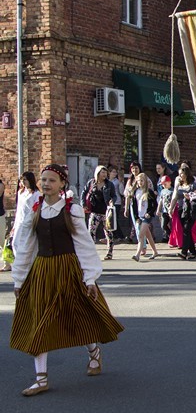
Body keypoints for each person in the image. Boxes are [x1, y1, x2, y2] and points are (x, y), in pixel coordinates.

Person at [9, 164, 124, 396]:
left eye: (51, 180)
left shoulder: (72, 210)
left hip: (67, 268)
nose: (46, 184)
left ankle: (94, 352)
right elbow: (26, 247)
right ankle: (41, 379)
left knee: (77, 314)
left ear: (62, 184)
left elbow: (84, 245)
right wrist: (19, 279)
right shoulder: (35, 209)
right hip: (42, 270)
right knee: (39, 321)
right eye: (43, 180)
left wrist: (90, 278)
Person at [80, 165, 116, 260]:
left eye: (105, 172)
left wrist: (112, 201)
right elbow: (83, 192)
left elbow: (114, 195)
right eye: (102, 172)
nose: (104, 174)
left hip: (106, 212)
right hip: (94, 211)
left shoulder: (109, 184)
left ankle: (109, 252)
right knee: (91, 232)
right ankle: (91, 252)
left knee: (108, 232)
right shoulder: (91, 183)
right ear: (98, 173)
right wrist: (83, 204)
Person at [169, 165, 196, 260]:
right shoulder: (179, 184)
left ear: (186, 173)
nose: (180, 176)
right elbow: (175, 197)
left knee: (187, 229)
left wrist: (189, 196)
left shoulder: (193, 184)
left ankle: (184, 252)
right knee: (186, 231)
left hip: (191, 210)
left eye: (181, 173)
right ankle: (193, 252)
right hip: (181, 210)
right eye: (179, 174)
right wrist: (171, 208)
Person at [131, 172, 160, 261]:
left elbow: (154, 204)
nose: (140, 183)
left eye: (142, 181)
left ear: (146, 181)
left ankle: (137, 254)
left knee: (140, 235)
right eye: (139, 181)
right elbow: (134, 206)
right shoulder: (136, 191)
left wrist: (150, 213)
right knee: (148, 235)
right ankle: (155, 251)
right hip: (140, 216)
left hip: (146, 216)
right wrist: (136, 217)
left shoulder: (149, 192)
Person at [107, 166, 126, 241]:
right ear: (109, 172)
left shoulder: (117, 181)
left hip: (116, 202)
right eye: (113, 172)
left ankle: (120, 235)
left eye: (115, 172)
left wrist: (121, 182)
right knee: (110, 219)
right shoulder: (107, 181)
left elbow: (121, 192)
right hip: (108, 202)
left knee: (115, 219)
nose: (114, 173)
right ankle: (114, 235)